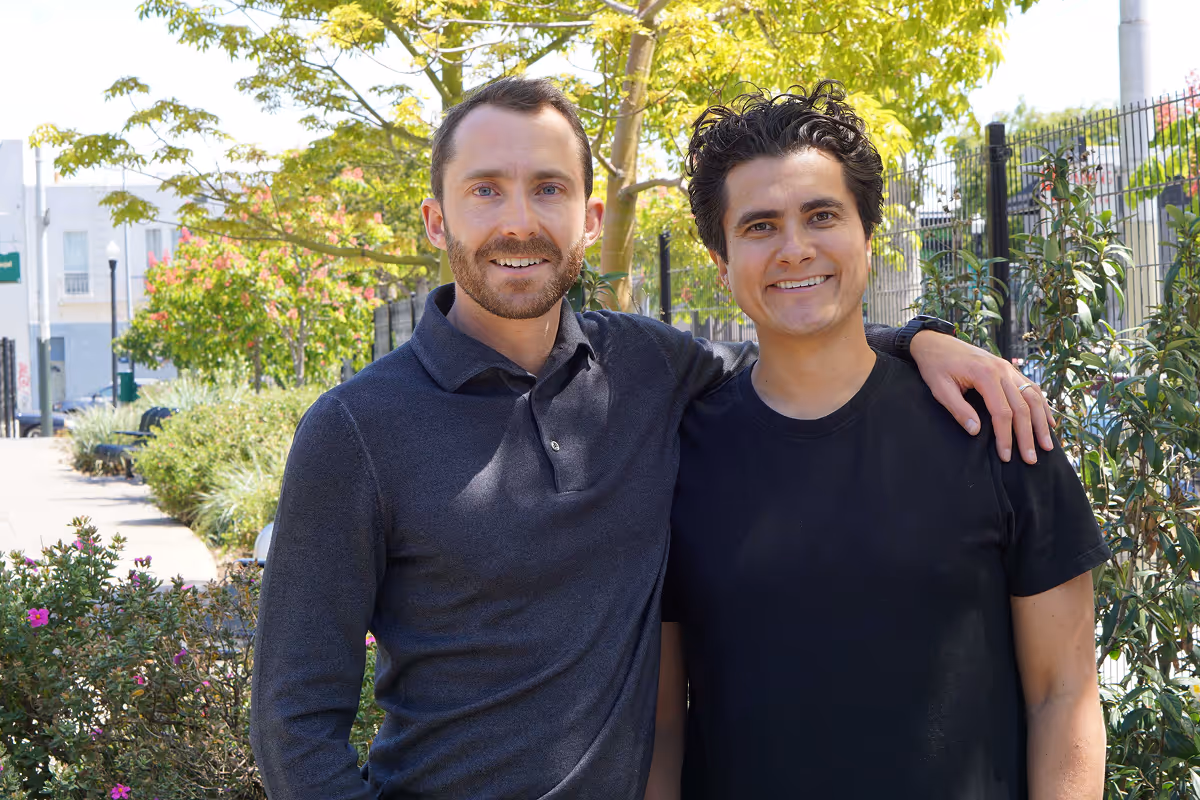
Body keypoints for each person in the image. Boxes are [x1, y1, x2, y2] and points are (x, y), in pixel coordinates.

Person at [249, 76, 1057, 799]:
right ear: (436, 219)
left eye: (549, 189)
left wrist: (920, 338)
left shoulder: (647, 367)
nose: (520, 221)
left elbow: (797, 333)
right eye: (486, 192)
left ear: (590, 218)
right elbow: (294, 722)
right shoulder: (353, 431)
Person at [648, 82, 1108, 800]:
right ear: (720, 261)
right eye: (760, 226)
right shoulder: (678, 455)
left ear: (868, 235)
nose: (795, 249)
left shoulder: (994, 426)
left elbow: (1065, 693)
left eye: (821, 215)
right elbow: (665, 728)